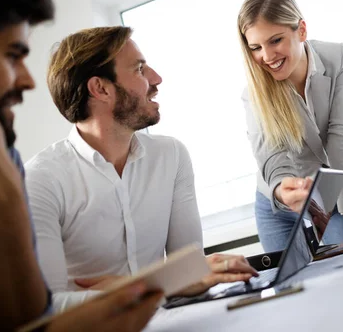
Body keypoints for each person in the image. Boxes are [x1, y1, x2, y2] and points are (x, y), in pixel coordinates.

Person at [0, 0, 162, 332]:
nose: (28, 80)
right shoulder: (39, 171)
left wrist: (3, 194)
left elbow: (21, 322)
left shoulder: (1, 159)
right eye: (11, 56)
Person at [25, 26, 258, 311]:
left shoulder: (171, 156)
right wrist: (145, 288)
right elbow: (44, 308)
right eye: (139, 69)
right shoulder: (40, 180)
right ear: (100, 88)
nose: (156, 79)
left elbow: (191, 276)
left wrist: (145, 286)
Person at [238, 0, 343, 252]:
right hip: (280, 200)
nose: (267, 56)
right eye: (255, 47)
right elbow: (272, 156)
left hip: (331, 194)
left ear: (302, 31)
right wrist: (284, 190)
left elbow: (341, 136)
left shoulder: (336, 58)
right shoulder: (253, 94)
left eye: (275, 40)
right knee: (290, 285)